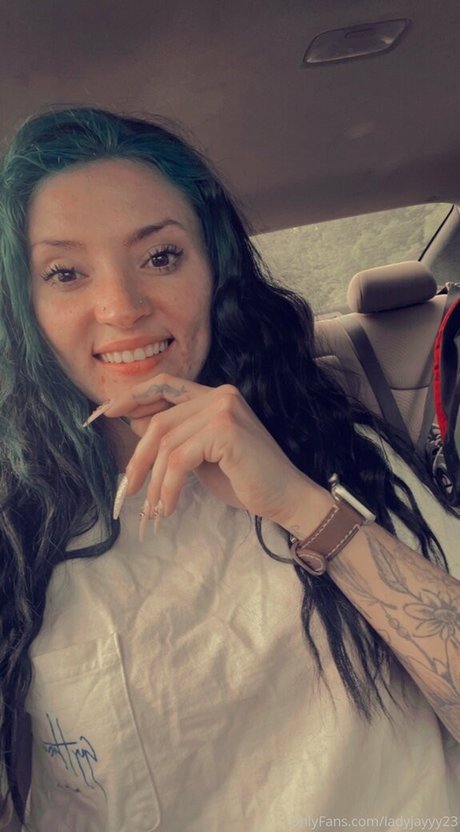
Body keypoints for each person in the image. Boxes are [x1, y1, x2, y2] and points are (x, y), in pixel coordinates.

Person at [0, 106, 459, 832]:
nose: (121, 308)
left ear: (215, 271)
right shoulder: (16, 536)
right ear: (24, 309)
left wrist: (303, 506)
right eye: (65, 272)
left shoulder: (341, 454)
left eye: (160, 257)